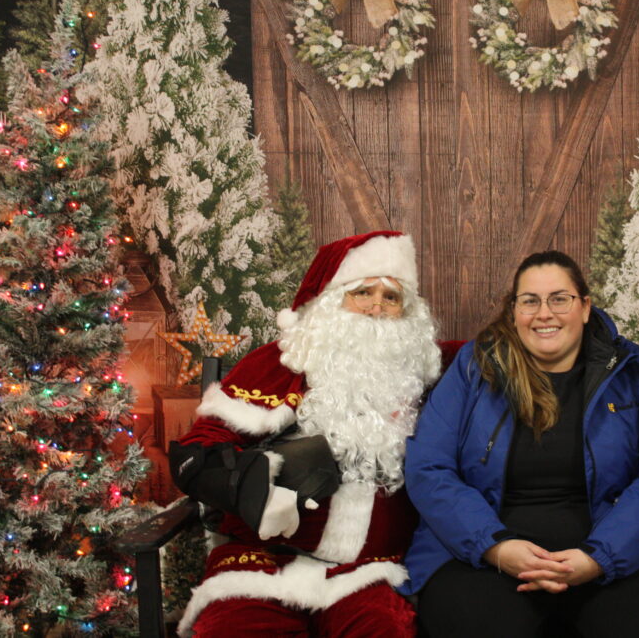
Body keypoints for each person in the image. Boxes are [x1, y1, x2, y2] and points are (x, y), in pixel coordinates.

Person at [169, 231, 460, 638]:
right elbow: (200, 450)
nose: (377, 308)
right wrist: (257, 484)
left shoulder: (431, 371)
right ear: (330, 303)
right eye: (362, 293)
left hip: (369, 572)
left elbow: (512, 349)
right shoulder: (276, 365)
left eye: (391, 298)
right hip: (259, 566)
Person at [402, 250, 639, 638]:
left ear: (584, 307)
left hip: (607, 557)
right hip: (481, 556)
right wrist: (495, 546)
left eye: (559, 299)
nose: (544, 313)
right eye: (530, 301)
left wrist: (598, 557)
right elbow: (428, 467)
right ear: (514, 311)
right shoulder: (474, 366)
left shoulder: (635, 370)